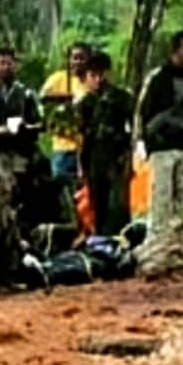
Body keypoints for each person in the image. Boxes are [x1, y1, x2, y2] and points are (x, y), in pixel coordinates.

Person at [134, 30, 183, 278]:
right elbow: (143, 112)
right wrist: (142, 142)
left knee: (182, 204)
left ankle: (175, 253)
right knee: (161, 204)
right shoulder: (158, 79)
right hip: (163, 149)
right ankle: (155, 257)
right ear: (174, 51)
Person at [75, 50, 135, 237]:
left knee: (118, 204)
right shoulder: (84, 104)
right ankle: (102, 241)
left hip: (117, 157)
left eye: (101, 74)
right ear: (86, 77)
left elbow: (133, 128)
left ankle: (122, 239)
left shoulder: (122, 98)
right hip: (94, 158)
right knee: (97, 203)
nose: (98, 80)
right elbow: (80, 137)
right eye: (93, 75)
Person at [0, 47, 42, 169]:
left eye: (9, 63)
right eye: (2, 63)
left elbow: (41, 123)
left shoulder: (27, 91)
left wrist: (26, 127)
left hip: (21, 154)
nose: (6, 67)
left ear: (15, 66)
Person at [41, 42, 92, 189]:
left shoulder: (92, 81)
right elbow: (43, 101)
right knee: (61, 189)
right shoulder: (58, 78)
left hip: (87, 147)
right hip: (63, 147)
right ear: (68, 60)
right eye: (74, 58)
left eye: (82, 58)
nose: (78, 62)